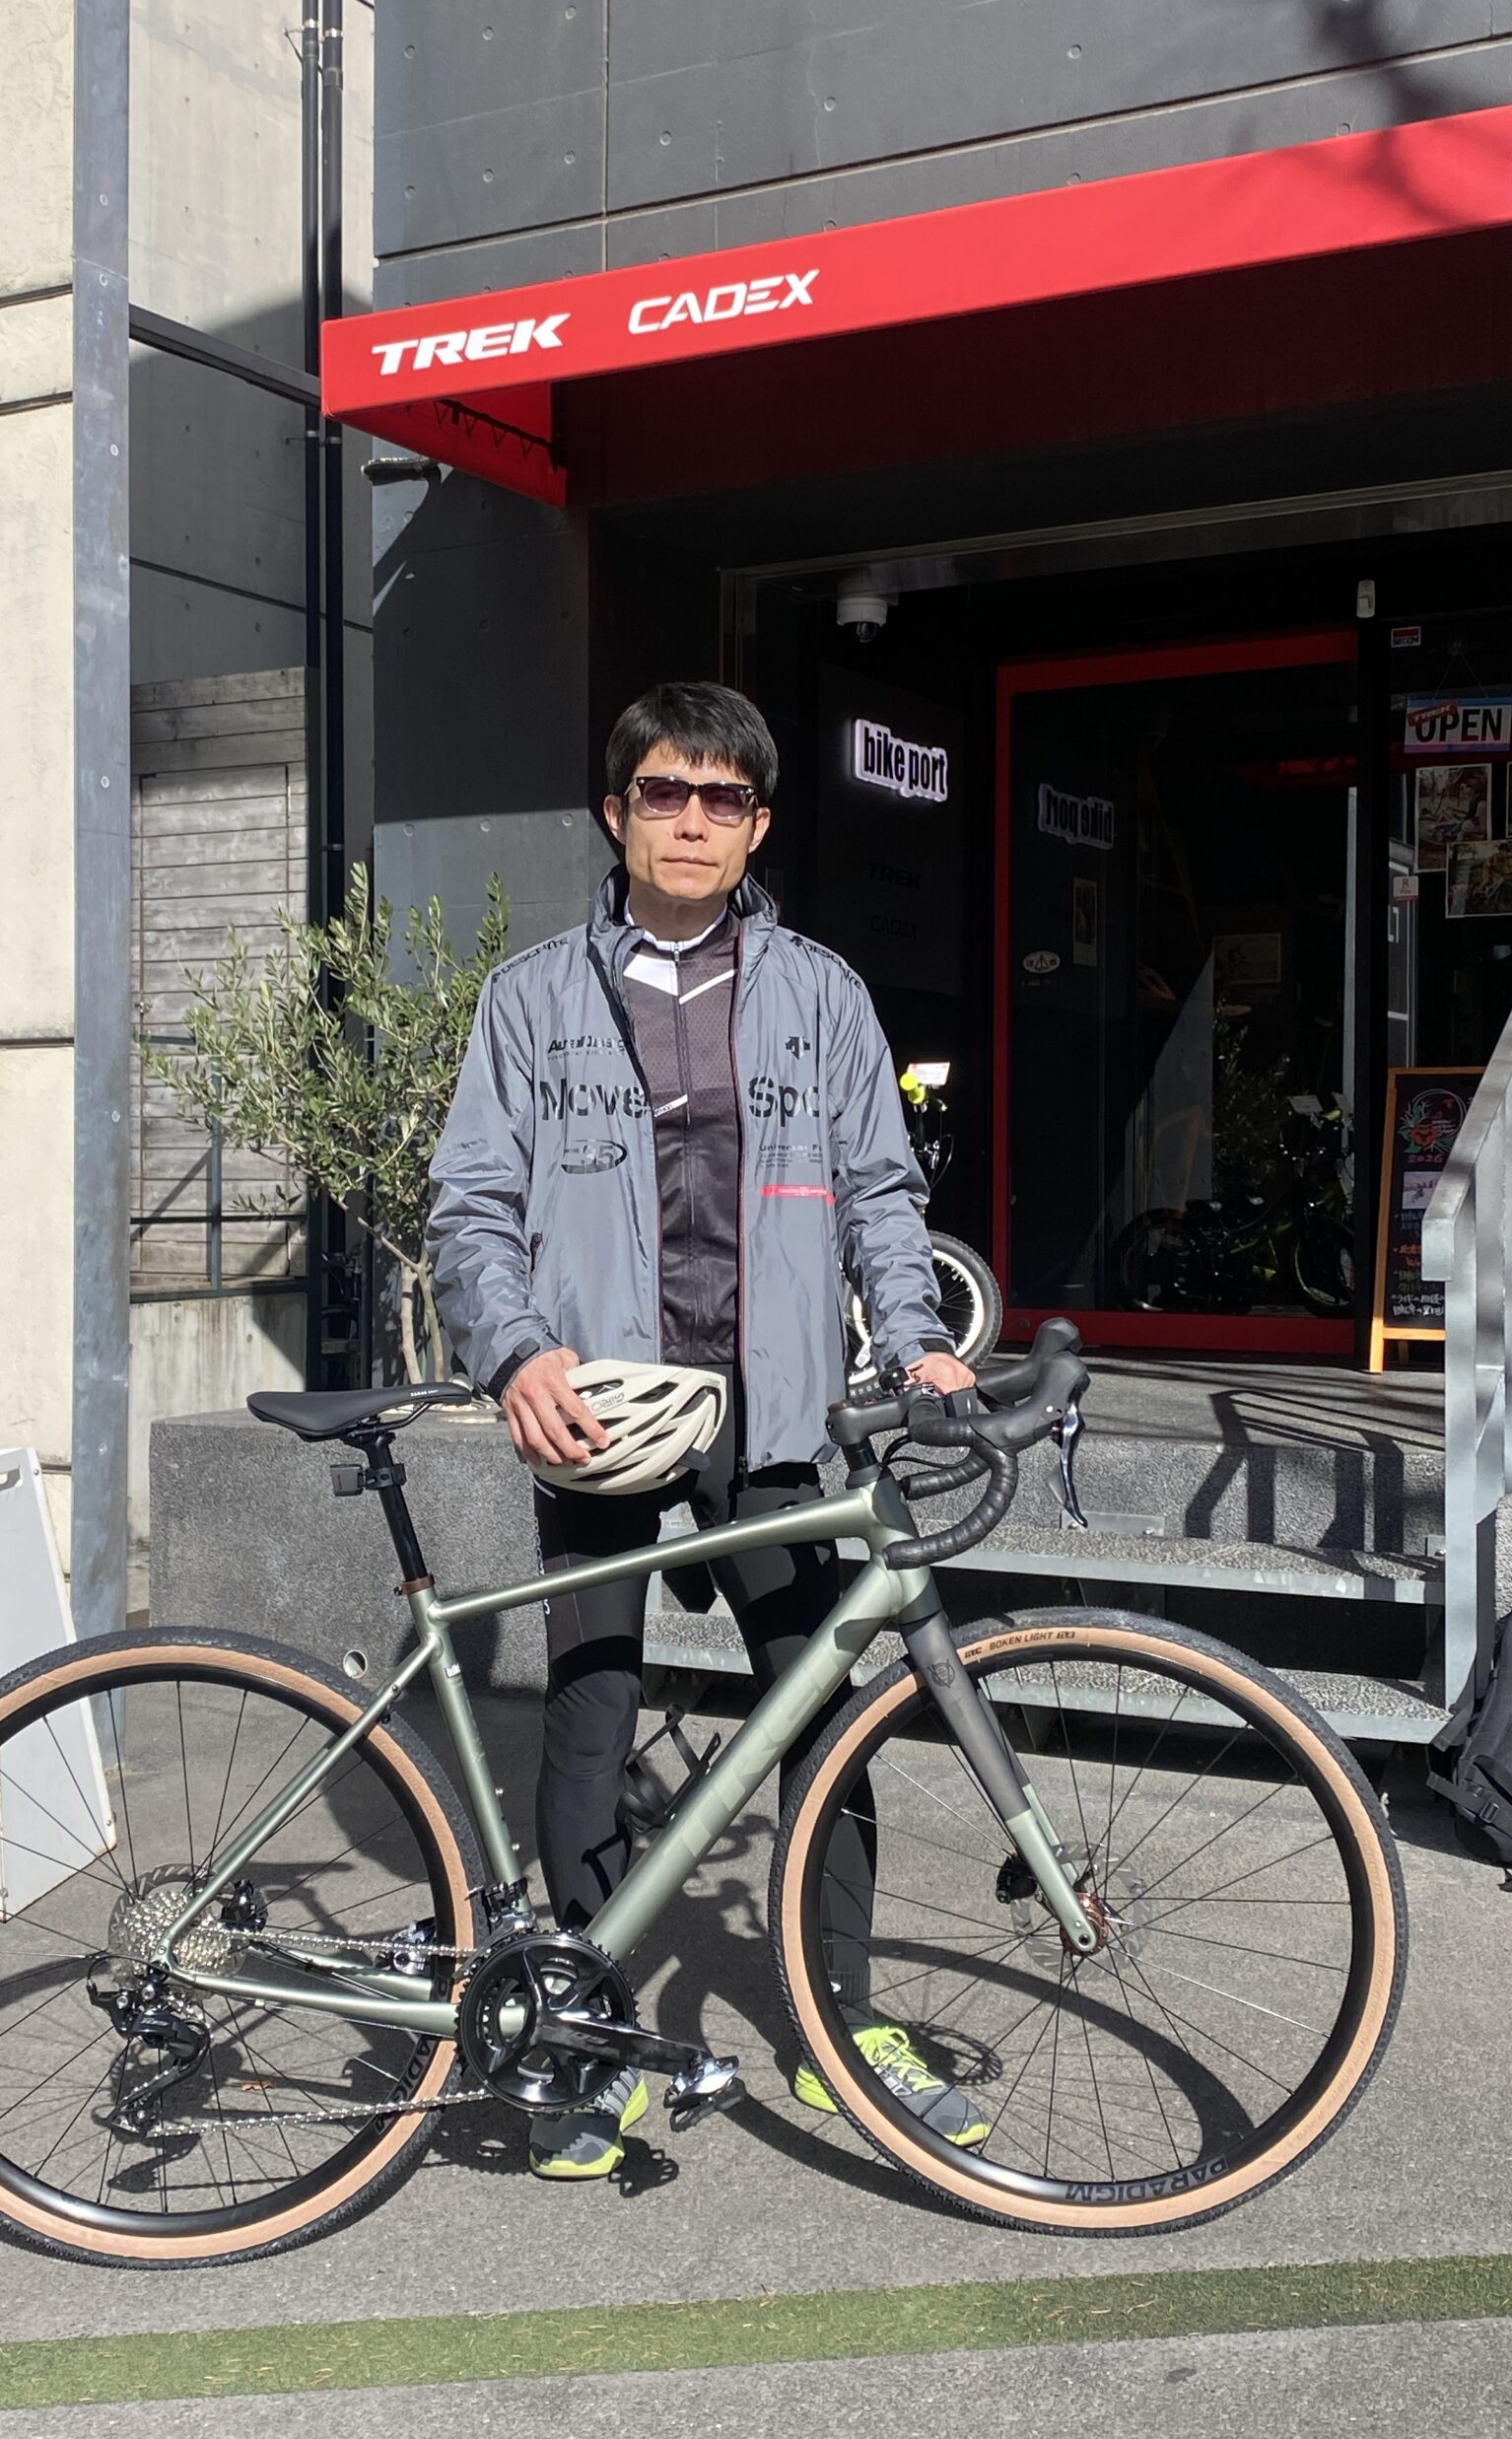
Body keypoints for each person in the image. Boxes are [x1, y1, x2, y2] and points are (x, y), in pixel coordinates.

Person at [427, 681, 984, 2181]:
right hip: (602, 1407)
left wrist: (918, 1343)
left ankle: (838, 2017)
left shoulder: (823, 994)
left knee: (819, 1708)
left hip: (775, 1409)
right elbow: (470, 1206)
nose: (691, 821)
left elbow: (881, 1197)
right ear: (615, 813)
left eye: (721, 798)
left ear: (758, 824)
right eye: (663, 793)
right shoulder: (529, 999)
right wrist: (515, 1351)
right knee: (592, 1713)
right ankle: (581, 2033)